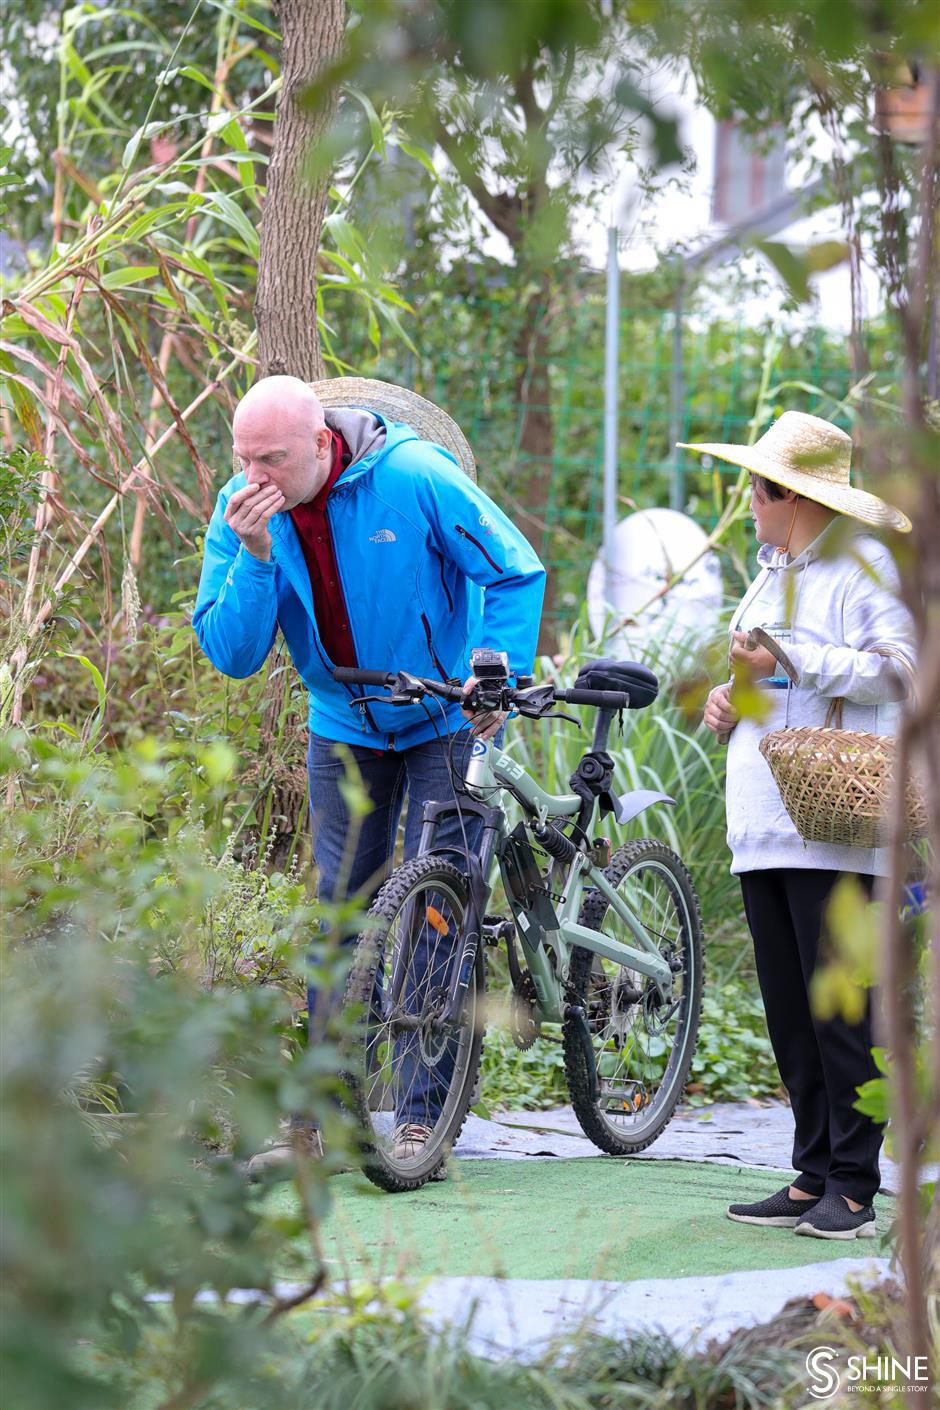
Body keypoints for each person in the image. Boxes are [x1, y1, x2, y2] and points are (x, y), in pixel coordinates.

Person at [193, 375, 545, 1177]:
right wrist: (253, 558)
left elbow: (515, 570)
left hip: (444, 715)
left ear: (322, 445)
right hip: (345, 722)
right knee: (339, 920)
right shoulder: (241, 510)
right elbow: (233, 654)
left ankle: (421, 1123)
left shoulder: (414, 477)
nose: (255, 479)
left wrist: (497, 675)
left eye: (272, 460)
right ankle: (314, 1123)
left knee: (437, 908)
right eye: (244, 458)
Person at [682, 411, 915, 1241]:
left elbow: (902, 673)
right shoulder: (767, 574)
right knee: (788, 1011)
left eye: (756, 489)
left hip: (837, 827)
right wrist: (727, 698)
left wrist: (791, 657)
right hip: (764, 824)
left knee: (839, 1009)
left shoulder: (863, 568)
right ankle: (812, 1170)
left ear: (792, 494)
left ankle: (854, 1184)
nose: (747, 504)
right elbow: (765, 688)